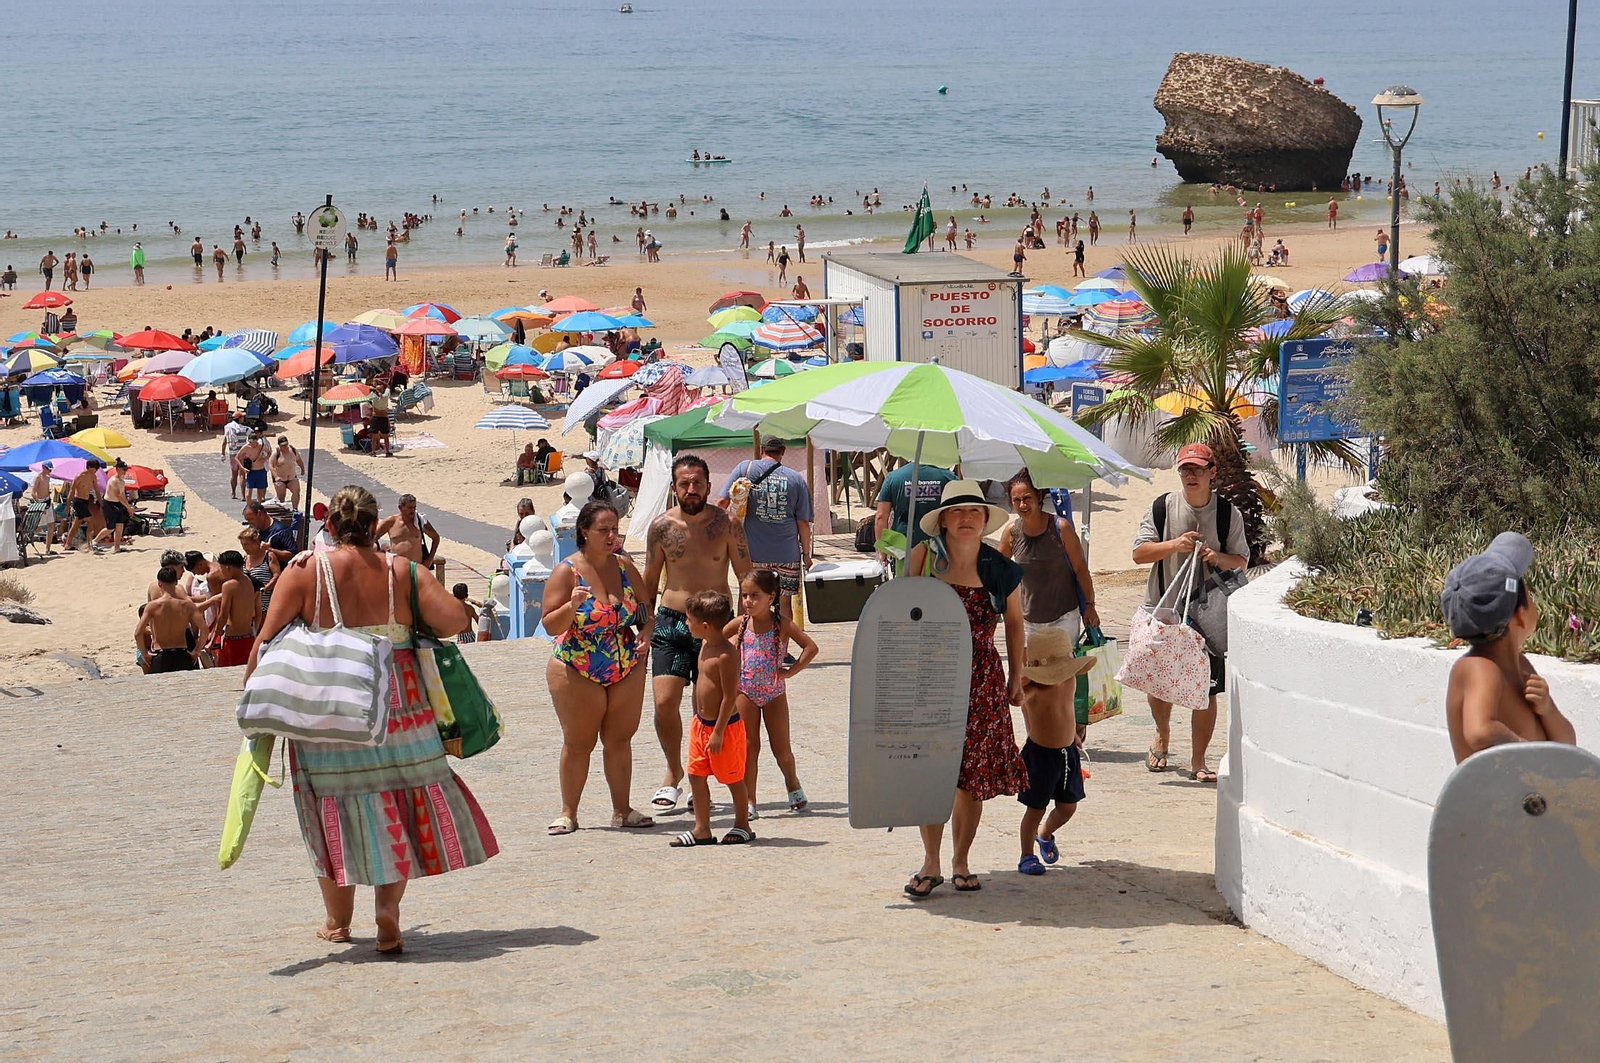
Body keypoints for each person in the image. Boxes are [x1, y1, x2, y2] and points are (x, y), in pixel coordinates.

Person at [246, 485, 497, 954]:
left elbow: (264, 642)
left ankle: (337, 921)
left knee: (331, 810)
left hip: (328, 709)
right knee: (397, 803)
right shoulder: (401, 572)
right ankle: (388, 910)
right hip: (399, 706)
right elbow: (453, 623)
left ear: (332, 526)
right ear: (373, 522)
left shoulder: (305, 572)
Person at [902, 481, 1026, 897]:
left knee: (971, 777)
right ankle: (931, 861)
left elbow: (1014, 623)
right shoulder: (922, 557)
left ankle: (961, 861)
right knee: (928, 772)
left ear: (986, 518)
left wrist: (1016, 675)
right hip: (929, 679)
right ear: (943, 521)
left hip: (982, 680)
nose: (968, 518)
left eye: (975, 511)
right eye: (958, 512)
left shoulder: (1000, 568)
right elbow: (901, 615)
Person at [1129, 443, 1248, 782]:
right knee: (1158, 681)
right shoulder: (1162, 507)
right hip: (1164, 608)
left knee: (1207, 689)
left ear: (1213, 472)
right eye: (1184, 469)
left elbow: (1240, 561)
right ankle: (1162, 734)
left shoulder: (1228, 514)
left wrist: (1215, 557)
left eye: (1197, 469)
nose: (1190, 475)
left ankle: (1199, 761)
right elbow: (1139, 554)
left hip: (1208, 614)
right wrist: (1174, 545)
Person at [643, 454, 753, 811]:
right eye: (684, 483)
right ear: (674, 487)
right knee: (663, 703)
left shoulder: (727, 525)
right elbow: (649, 579)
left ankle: (698, 778)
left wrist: (740, 629)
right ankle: (673, 771)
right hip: (672, 621)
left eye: (698, 483)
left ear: (708, 485)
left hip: (716, 628)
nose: (691, 490)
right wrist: (644, 625)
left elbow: (745, 577)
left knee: (704, 707)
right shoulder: (661, 527)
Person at [541, 500, 656, 835]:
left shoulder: (623, 566)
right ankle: (568, 813)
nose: (611, 536)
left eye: (615, 529)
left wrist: (646, 634)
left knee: (620, 739)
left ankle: (622, 810)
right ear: (584, 532)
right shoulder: (567, 571)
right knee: (579, 742)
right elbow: (550, 624)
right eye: (603, 530)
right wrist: (572, 606)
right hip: (576, 665)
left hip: (625, 664)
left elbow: (646, 609)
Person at [1442, 532, 1577, 763]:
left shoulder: (1522, 667)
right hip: (1492, 799)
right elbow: (1479, 731)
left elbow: (1566, 746)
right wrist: (1528, 749)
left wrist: (1548, 709)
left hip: (1529, 796)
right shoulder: (1479, 668)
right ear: (1520, 616)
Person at [725, 569, 817, 819]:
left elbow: (810, 647)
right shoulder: (739, 624)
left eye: (755, 595)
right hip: (745, 691)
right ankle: (750, 800)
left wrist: (791, 671)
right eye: (744, 595)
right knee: (749, 746)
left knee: (781, 749)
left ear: (771, 597)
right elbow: (713, 643)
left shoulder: (782, 624)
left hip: (774, 692)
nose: (748, 601)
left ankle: (792, 782)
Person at [670, 590, 753, 847]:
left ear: (704, 626)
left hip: (724, 728)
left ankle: (743, 824)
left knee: (732, 777)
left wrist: (718, 731)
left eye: (689, 620)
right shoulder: (704, 646)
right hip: (701, 726)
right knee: (696, 775)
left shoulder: (726, 655)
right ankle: (701, 829)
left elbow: (730, 697)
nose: (686, 624)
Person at [1015, 627, 1096, 875]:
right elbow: (1014, 700)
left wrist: (1072, 734)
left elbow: (1066, 711)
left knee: (1068, 807)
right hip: (1040, 756)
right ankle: (1026, 855)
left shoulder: (1070, 680)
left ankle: (1045, 832)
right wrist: (1021, 682)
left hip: (1067, 754)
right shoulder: (1035, 690)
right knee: (1035, 808)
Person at [718, 436, 813, 636]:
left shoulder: (745, 469)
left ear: (762, 449)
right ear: (783, 452)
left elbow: (721, 504)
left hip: (754, 552)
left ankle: (744, 643)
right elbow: (803, 522)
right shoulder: (796, 479)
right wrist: (806, 554)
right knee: (785, 601)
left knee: (748, 598)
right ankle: (782, 650)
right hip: (787, 553)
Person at [998, 470, 1098, 643]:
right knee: (1031, 670)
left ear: (1038, 496)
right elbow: (998, 571)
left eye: (1027, 498)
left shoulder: (1061, 528)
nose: (1022, 505)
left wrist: (1090, 605)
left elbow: (1081, 569)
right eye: (1016, 500)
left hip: (1064, 618)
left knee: (1064, 669)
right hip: (1028, 622)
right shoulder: (1011, 533)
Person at [874, 461, 956, 572]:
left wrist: (882, 552)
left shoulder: (893, 477)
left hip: (903, 548)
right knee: (939, 588)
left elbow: (881, 516)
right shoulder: (948, 477)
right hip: (940, 547)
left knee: (906, 586)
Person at [136, 566, 205, 674]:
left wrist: (144, 654)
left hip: (161, 655)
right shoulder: (187, 605)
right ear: (176, 582)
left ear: (159, 584)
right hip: (182, 654)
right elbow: (204, 630)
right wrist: (196, 651)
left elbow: (138, 633)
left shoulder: (152, 606)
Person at [208, 550, 261, 667]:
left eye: (222, 569)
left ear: (228, 568)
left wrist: (214, 637)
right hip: (248, 636)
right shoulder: (248, 581)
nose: (221, 573)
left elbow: (224, 613)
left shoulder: (229, 585)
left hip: (233, 640)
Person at [377, 494, 439, 566]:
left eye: (414, 507)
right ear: (400, 507)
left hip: (416, 567)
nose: (412, 510)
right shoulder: (390, 522)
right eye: (409, 507)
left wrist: (429, 560)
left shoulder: (420, 521)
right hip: (397, 567)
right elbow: (372, 538)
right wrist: (380, 554)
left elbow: (436, 538)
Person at [238, 525, 282, 618]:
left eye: (246, 544)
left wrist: (264, 589)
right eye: (242, 544)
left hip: (265, 605)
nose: (244, 547)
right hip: (249, 606)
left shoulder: (269, 556)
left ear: (256, 542)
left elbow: (277, 576)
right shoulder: (245, 558)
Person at [92, 459, 133, 553]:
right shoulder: (114, 480)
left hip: (118, 504)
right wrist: (128, 507)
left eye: (126, 469)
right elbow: (118, 495)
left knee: (120, 525)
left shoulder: (122, 481)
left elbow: (122, 495)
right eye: (123, 469)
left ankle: (117, 547)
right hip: (109, 504)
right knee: (110, 528)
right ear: (118, 469)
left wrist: (128, 506)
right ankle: (94, 541)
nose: (125, 471)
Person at [63, 459, 101, 553]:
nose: (96, 470)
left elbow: (96, 490)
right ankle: (89, 545)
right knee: (90, 522)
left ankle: (68, 544)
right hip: (78, 501)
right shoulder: (80, 476)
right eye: (95, 468)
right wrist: (68, 505)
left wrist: (100, 501)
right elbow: (72, 490)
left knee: (76, 524)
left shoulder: (93, 477)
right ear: (90, 467)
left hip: (85, 501)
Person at [28, 462, 57, 553]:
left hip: (47, 501)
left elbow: (45, 489)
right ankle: (26, 538)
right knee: (39, 528)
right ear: (44, 468)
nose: (50, 471)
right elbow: (33, 493)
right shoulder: (38, 477)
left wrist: (48, 493)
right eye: (49, 469)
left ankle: (47, 549)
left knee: (51, 525)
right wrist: (40, 505)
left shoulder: (48, 478)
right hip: (41, 502)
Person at [235, 430, 270, 503]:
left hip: (261, 470)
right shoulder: (246, 447)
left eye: (253, 443)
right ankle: (248, 507)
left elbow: (269, 452)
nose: (252, 444)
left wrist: (265, 459)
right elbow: (237, 457)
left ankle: (259, 507)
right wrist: (242, 468)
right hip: (251, 471)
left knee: (259, 493)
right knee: (248, 493)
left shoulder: (261, 446)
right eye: (250, 442)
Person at [270, 435, 304, 508]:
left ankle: (295, 509)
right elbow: (271, 466)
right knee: (281, 496)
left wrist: (302, 469)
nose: (285, 447)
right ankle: (282, 510)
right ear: (279, 445)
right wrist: (276, 477)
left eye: (286, 445)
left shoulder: (293, 450)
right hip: (280, 479)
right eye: (283, 445)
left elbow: (299, 460)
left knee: (296, 492)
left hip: (292, 477)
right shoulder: (276, 453)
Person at [223, 411, 250, 499]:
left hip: (233, 454)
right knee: (242, 475)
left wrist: (223, 454)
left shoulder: (228, 427)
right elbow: (255, 435)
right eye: (242, 417)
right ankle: (243, 495)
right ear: (239, 418)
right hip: (242, 454)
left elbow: (224, 442)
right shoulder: (245, 429)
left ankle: (233, 493)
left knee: (234, 475)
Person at [369, 386, 393, 456]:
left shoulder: (374, 397)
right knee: (386, 437)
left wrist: (375, 389)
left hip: (376, 418)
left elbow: (370, 390)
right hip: (384, 418)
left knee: (374, 437)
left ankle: (373, 451)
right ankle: (387, 452)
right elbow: (388, 386)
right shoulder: (385, 397)